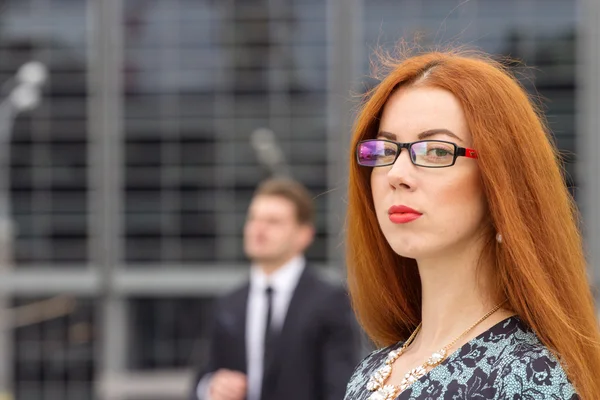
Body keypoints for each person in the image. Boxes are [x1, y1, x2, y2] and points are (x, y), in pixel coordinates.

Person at [343, 49, 600, 399]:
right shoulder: (371, 371)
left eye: (435, 150)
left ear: (500, 185)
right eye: (385, 151)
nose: (396, 174)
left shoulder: (531, 378)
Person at [192, 178, 359, 400]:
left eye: (273, 221)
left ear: (304, 235)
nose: (258, 229)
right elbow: (202, 379)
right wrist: (211, 387)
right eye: (253, 218)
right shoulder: (229, 303)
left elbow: (341, 387)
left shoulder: (330, 300)